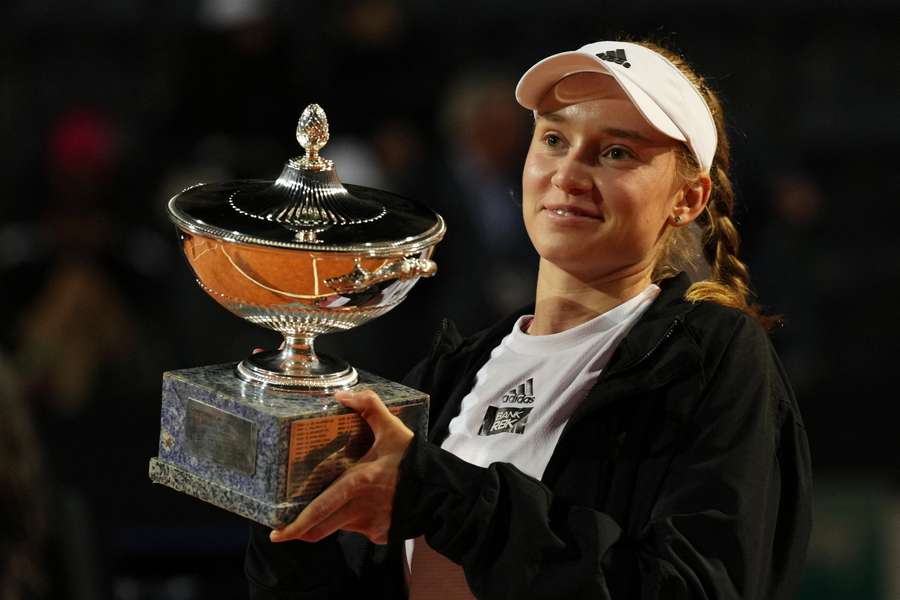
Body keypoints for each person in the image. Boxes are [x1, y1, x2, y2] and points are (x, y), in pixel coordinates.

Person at [244, 40, 812, 599]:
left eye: (616, 152)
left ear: (687, 199)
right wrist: (288, 526)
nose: (568, 173)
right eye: (554, 139)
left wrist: (446, 497)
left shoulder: (709, 358)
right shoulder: (452, 374)